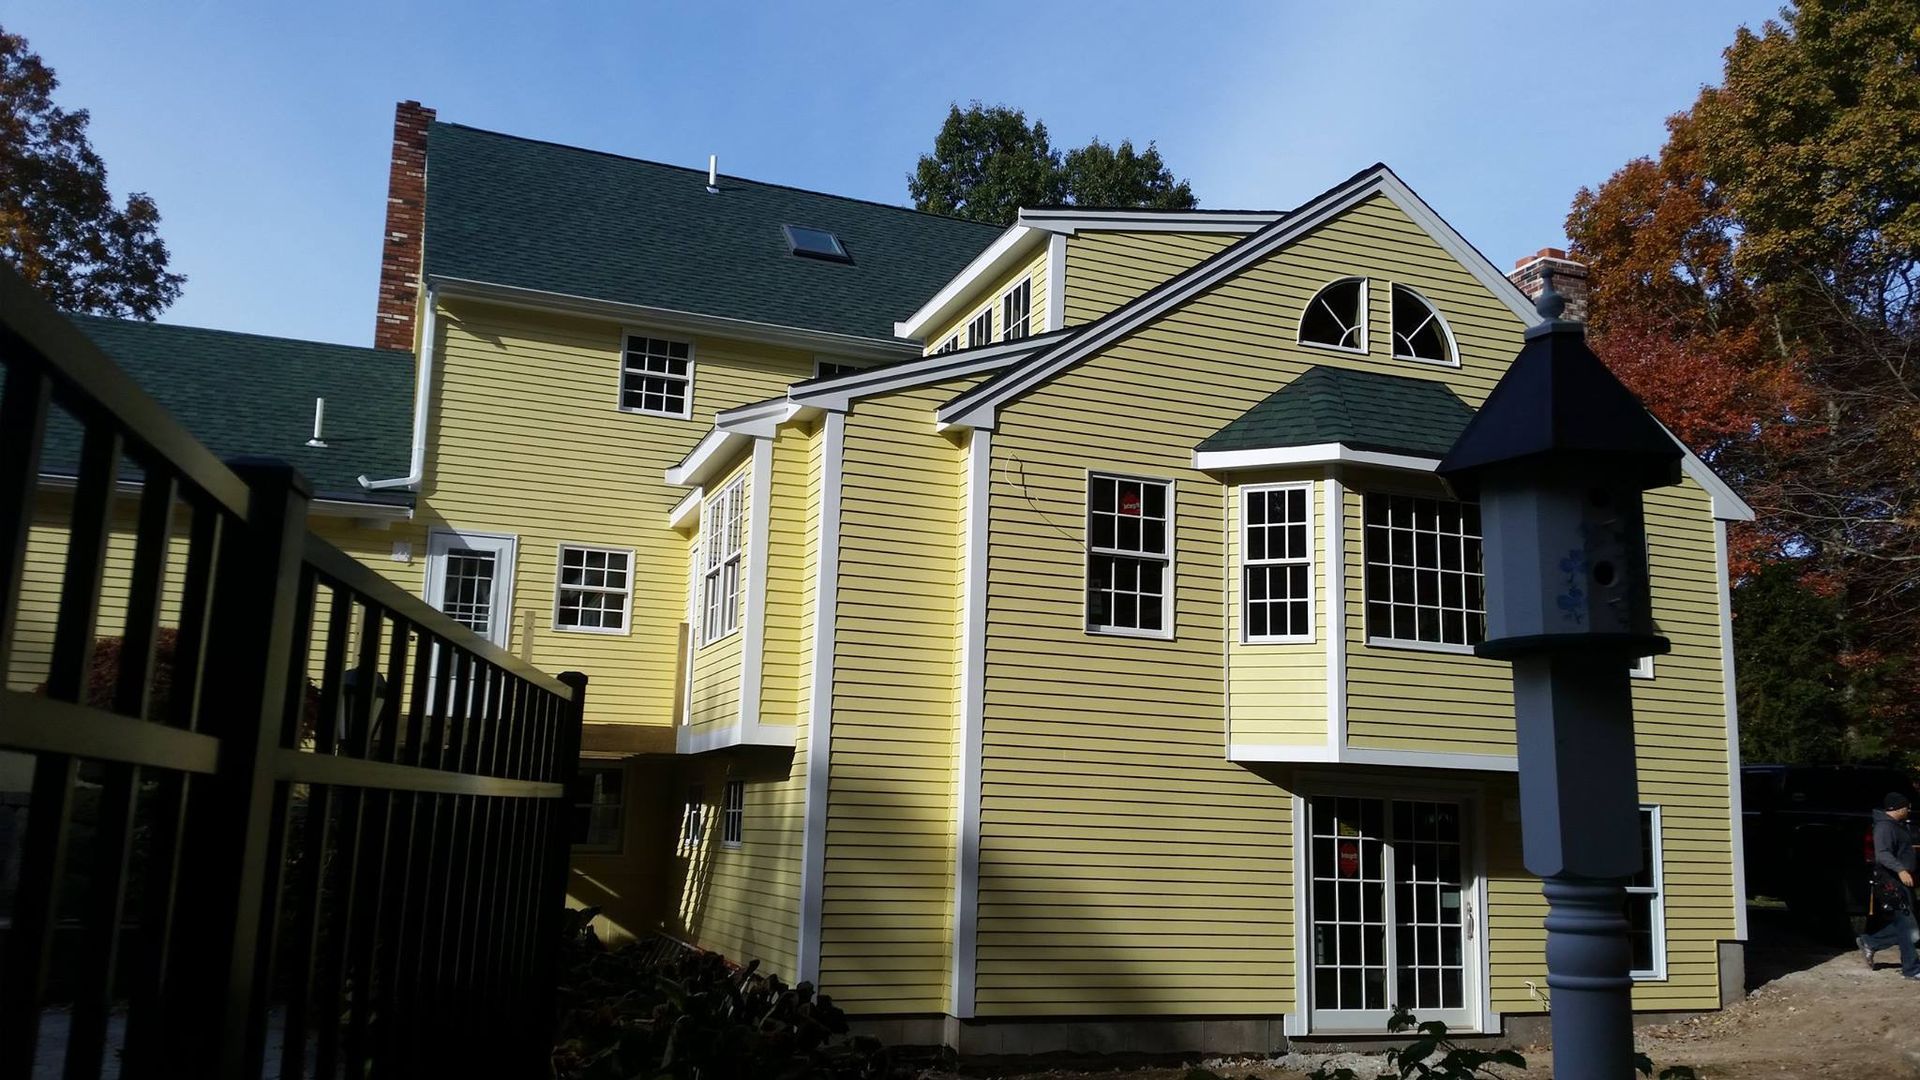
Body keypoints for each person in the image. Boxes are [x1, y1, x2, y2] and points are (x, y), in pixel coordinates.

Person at [1860, 792, 1920, 978]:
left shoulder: (1896, 826)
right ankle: (1912, 969)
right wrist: (1901, 870)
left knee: (1909, 926)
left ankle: (1870, 942)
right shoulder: (1885, 827)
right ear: (1899, 808)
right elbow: (1883, 854)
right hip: (1892, 882)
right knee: (1909, 927)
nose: (1909, 810)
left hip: (1902, 880)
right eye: (1906, 807)